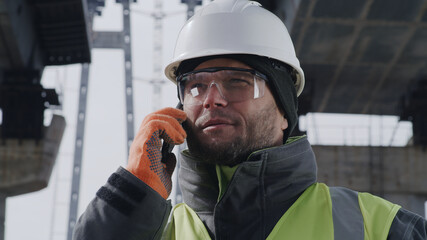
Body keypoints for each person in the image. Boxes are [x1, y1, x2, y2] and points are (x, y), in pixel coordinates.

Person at [73, 0, 427, 239]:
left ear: (284, 111)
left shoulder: (375, 227)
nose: (212, 99)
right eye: (195, 87)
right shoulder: (154, 231)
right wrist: (131, 197)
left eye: (237, 82)